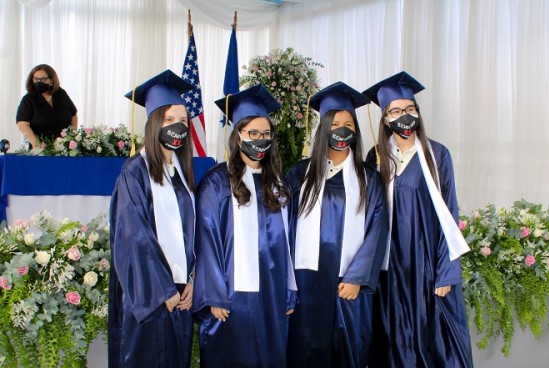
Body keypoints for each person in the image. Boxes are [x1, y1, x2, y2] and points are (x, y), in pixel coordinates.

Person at [362, 71, 473, 368]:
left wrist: (446, 272)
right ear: (386, 119)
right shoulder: (376, 157)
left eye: (410, 109)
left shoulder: (437, 154)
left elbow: (449, 212)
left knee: (430, 338)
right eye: (395, 111)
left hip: (425, 265)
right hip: (388, 267)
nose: (404, 116)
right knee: (390, 336)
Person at [193, 84, 297, 368]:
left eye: (266, 134)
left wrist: (289, 289)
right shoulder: (217, 182)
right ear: (238, 135)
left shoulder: (278, 184)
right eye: (253, 133)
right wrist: (213, 294)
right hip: (231, 295)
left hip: (272, 290)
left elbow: (288, 243)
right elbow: (207, 238)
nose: (260, 140)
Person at [286, 82, 389, 368]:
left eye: (348, 124)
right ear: (323, 130)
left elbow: (377, 230)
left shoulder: (368, 179)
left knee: (348, 352)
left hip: (348, 284)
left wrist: (358, 278)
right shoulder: (299, 174)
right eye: (335, 123)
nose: (342, 130)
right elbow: (282, 230)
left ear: (355, 131)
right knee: (305, 352)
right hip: (306, 284)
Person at [109, 70, 196, 367]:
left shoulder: (182, 174)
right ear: (154, 123)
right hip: (152, 298)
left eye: (183, 121)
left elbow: (192, 233)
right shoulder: (135, 171)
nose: (178, 127)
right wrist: (162, 289)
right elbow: (133, 235)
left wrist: (193, 280)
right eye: (170, 119)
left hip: (180, 296)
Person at [16, 64, 78, 147]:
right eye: (36, 79)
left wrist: (72, 138)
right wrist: (37, 145)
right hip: (40, 150)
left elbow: (73, 115)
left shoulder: (61, 94)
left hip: (64, 148)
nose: (39, 82)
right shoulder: (28, 99)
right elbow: (22, 124)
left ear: (51, 80)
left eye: (43, 79)